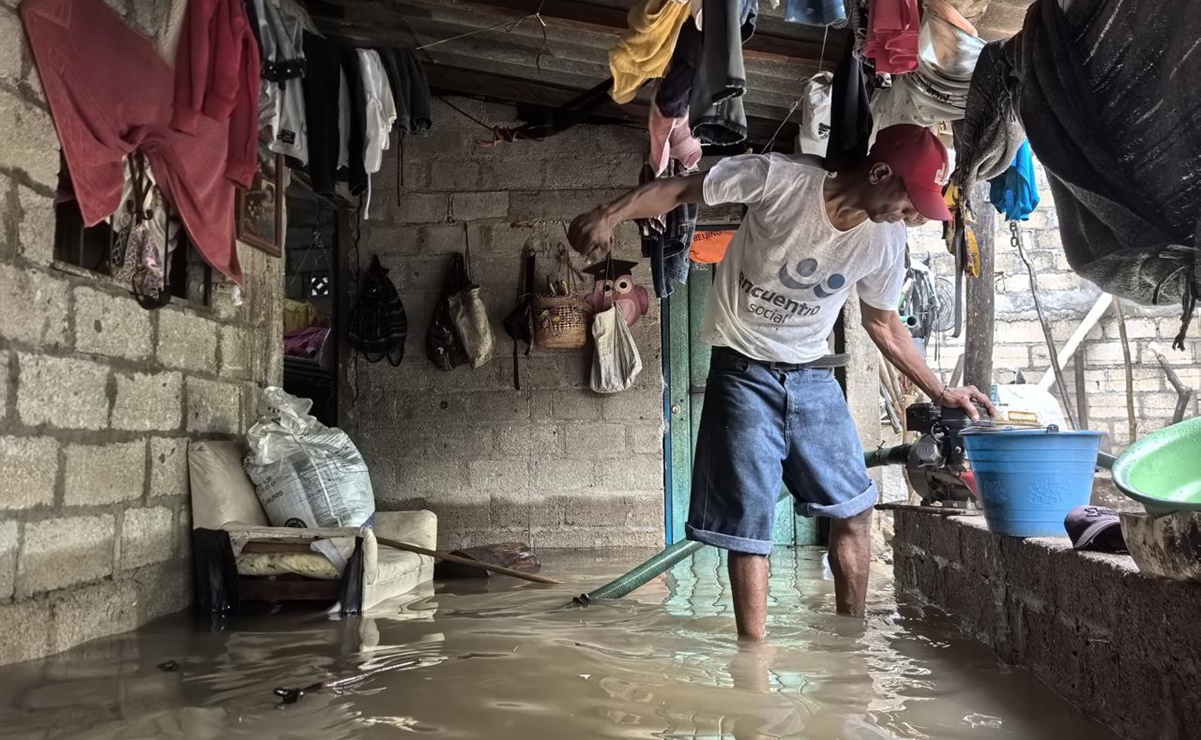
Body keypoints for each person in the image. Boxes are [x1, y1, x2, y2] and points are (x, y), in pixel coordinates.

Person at [568, 123, 994, 641]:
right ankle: (755, 660)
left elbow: (882, 322)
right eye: (910, 200)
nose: (912, 216)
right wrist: (608, 213)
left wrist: (939, 391)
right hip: (743, 372)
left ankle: (849, 645)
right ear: (880, 172)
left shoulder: (887, 242)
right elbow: (681, 188)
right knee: (749, 531)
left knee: (855, 510)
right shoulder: (781, 180)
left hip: (814, 379)